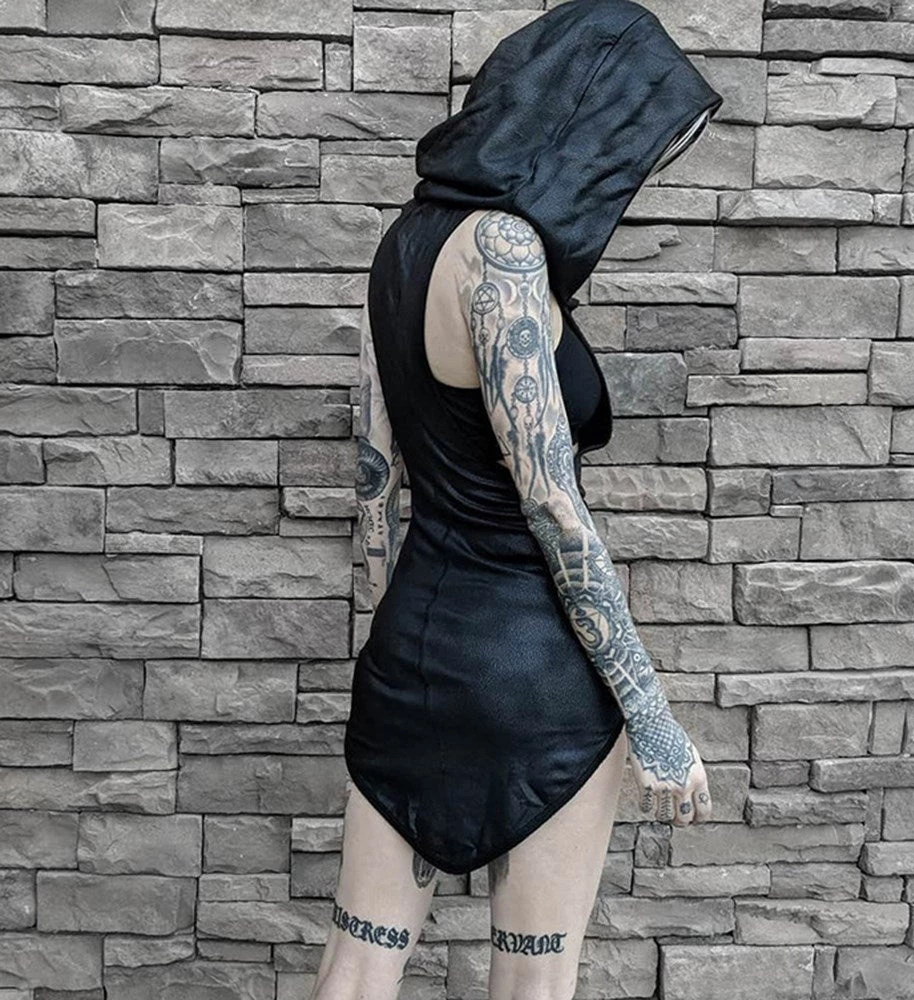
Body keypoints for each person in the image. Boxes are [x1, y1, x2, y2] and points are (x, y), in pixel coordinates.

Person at [309, 2, 724, 998]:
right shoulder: (502, 251)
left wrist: (393, 645)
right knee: (533, 986)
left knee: (356, 968)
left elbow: (376, 481)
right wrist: (652, 718)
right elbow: (554, 510)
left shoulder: (403, 242)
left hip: (412, 651)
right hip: (535, 678)